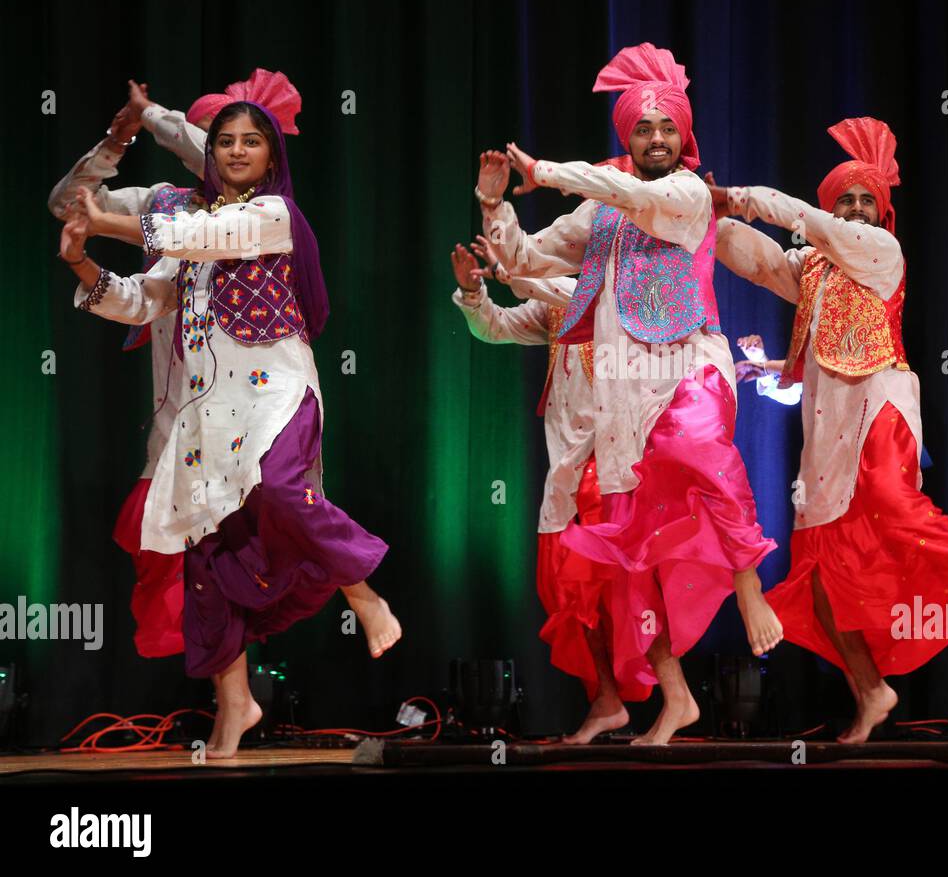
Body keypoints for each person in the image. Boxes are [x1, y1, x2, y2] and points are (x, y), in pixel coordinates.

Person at [58, 100, 398, 758]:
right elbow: (136, 298)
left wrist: (105, 216)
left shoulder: (273, 216)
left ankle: (364, 593)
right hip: (208, 415)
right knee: (207, 562)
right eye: (226, 142)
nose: (237, 151)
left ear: (273, 156)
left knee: (277, 490)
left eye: (252, 142)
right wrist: (80, 258)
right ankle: (234, 705)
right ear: (209, 155)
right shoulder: (189, 233)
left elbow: (203, 236)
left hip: (275, 392)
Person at [472, 43, 781, 744]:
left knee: (700, 445)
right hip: (619, 395)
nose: (657, 139)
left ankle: (748, 582)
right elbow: (524, 258)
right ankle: (675, 696)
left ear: (684, 136)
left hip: (688, 365)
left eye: (668, 127)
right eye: (643, 129)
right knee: (632, 553)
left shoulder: (686, 194)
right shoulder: (598, 217)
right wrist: (495, 208)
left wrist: (545, 171)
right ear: (627, 137)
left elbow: (633, 195)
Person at [710, 117, 948, 743]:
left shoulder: (883, 254)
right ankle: (870, 690)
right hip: (827, 419)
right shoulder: (817, 271)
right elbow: (764, 261)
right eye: (844, 200)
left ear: (881, 214)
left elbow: (804, 223)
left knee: (892, 502)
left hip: (881, 396)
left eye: (865, 201)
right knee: (821, 563)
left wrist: (739, 197)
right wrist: (708, 220)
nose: (853, 210)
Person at [451, 240, 651, 741]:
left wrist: (510, 273)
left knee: (630, 592)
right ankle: (606, 698)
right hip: (567, 468)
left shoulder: (635, 292)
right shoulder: (555, 302)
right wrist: (472, 292)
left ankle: (674, 699)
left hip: (617, 466)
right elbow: (494, 327)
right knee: (567, 587)